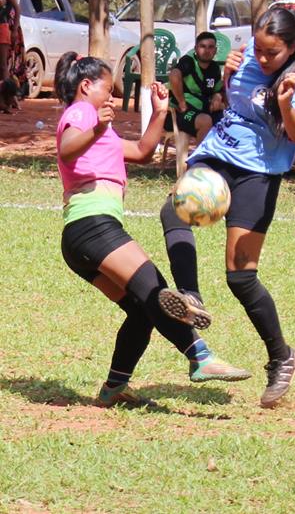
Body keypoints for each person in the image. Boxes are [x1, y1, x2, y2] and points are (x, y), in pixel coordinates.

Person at [55, 52, 250, 407]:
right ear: (86, 86)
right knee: (155, 289)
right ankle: (200, 357)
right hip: (93, 226)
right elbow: (67, 150)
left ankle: (113, 388)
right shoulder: (81, 112)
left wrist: (160, 112)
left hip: (80, 239)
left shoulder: (101, 130)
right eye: (107, 90)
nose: (112, 98)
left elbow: (143, 151)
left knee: (142, 310)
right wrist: (97, 126)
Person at [159, 8, 295, 409]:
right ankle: (191, 298)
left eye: (272, 53)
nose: (262, 58)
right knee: (170, 211)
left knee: (240, 277)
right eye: (259, 50)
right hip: (218, 155)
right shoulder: (247, 56)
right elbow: (235, 102)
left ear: (292, 47)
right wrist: (230, 77)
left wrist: (284, 104)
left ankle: (282, 356)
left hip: (259, 173)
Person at [168, 31, 226, 145]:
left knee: (229, 120)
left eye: (210, 47)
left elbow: (218, 89)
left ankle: (219, 159)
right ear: (195, 48)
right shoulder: (188, 61)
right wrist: (182, 103)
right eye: (202, 46)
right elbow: (174, 76)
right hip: (179, 113)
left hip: (203, 110)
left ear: (215, 50)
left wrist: (217, 97)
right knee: (205, 121)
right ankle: (200, 160)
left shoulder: (214, 68)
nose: (206, 50)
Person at [0, 0, 20, 83]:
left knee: (3, 65)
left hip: (3, 27)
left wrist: (15, 30)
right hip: (5, 26)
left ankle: (8, 97)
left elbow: (17, 9)